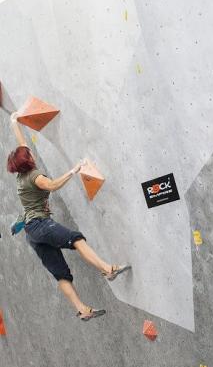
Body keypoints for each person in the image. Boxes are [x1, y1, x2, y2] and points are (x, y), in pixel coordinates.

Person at [7, 112, 130, 321]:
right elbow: (53, 185)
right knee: (76, 239)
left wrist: (13, 122)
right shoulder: (35, 177)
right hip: (40, 225)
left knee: (61, 273)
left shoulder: (22, 174)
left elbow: (22, 144)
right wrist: (74, 170)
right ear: (28, 161)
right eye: (29, 154)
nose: (32, 154)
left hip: (32, 234)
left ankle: (82, 310)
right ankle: (107, 270)